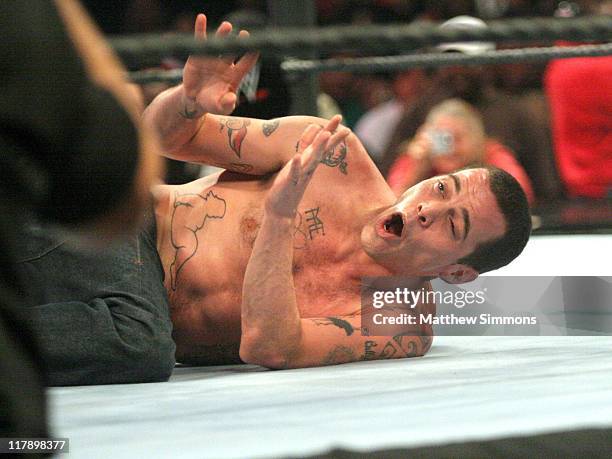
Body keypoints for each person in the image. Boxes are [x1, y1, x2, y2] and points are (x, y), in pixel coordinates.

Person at [142, 13, 532, 368]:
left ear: (459, 272)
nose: (429, 207)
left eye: (454, 224)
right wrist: (187, 103)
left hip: (135, 324)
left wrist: (279, 218)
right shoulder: (332, 153)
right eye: (442, 187)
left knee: (137, 351)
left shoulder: (400, 321)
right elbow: (163, 137)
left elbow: (269, 347)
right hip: (127, 227)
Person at [1, 0, 161, 438]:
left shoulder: (366, 312)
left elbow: (271, 343)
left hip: (105, 252)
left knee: (141, 337)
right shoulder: (325, 150)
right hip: (126, 243)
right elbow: (130, 175)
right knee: (139, 337)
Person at [386, 99, 534, 203]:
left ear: (477, 138)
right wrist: (416, 173)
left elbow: (520, 197)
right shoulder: (417, 156)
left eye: (458, 138)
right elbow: (389, 209)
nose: (451, 148)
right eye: (443, 138)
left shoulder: (491, 153)